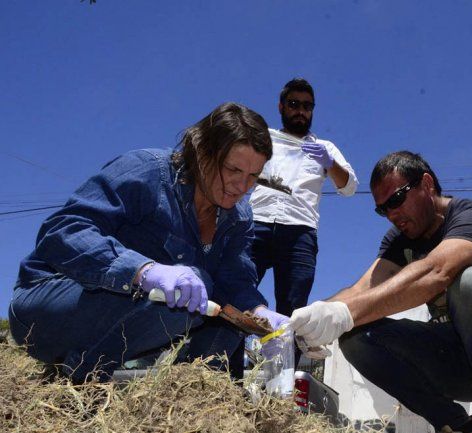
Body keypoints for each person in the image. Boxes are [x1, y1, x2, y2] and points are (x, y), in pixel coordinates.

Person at [8, 102, 288, 383]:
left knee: (231, 320)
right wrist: (143, 271)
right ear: (202, 153)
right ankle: (81, 381)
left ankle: (193, 393)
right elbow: (62, 232)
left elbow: (234, 280)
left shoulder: (239, 217)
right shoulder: (147, 171)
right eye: (233, 169)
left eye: (253, 176)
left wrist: (260, 315)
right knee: (191, 289)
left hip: (130, 322)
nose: (242, 186)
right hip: (48, 305)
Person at [289, 151, 472, 433]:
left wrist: (344, 313)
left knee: (469, 282)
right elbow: (362, 290)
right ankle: (459, 427)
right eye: (382, 209)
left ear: (427, 184)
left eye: (396, 200)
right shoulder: (399, 240)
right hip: (462, 364)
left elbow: (436, 272)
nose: (391, 215)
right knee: (355, 336)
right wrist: (310, 316)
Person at [248, 78, 358, 320]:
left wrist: (329, 163)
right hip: (257, 223)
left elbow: (350, 187)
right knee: (237, 290)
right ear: (281, 107)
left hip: (300, 231)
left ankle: (285, 346)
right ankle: (228, 347)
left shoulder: (325, 147)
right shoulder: (263, 138)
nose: (300, 111)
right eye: (294, 104)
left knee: (293, 309)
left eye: (307, 106)